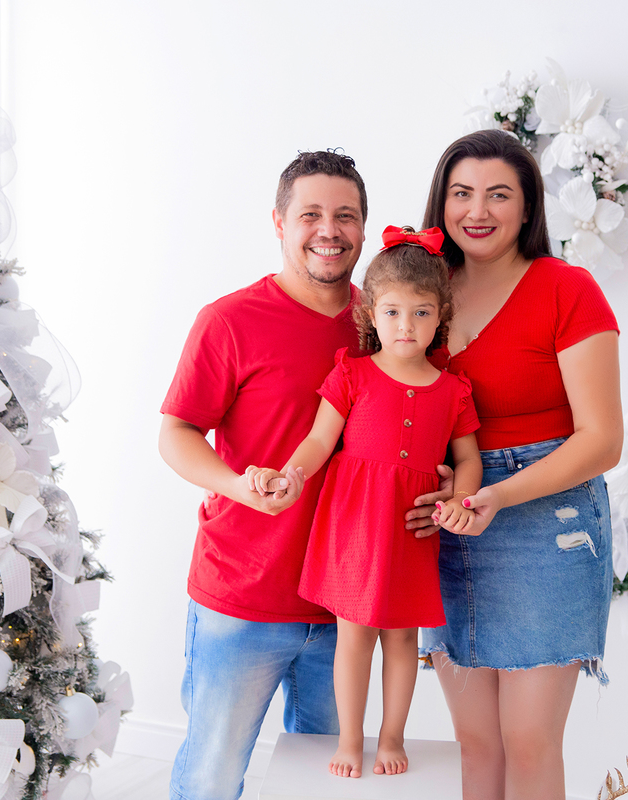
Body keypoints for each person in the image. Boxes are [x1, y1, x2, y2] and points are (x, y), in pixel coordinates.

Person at [409, 129, 624, 800]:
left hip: (547, 523)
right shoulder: (421, 291)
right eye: (462, 193)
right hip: (447, 520)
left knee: (529, 742)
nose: (478, 210)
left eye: (499, 195)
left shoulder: (567, 288)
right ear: (441, 203)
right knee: (476, 742)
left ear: (528, 206)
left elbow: (602, 440)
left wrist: (498, 495)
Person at [158, 150, 368, 800]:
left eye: (345, 215)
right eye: (310, 214)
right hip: (241, 597)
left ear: (363, 227)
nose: (329, 230)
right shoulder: (229, 321)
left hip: (346, 606)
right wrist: (236, 485)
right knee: (212, 778)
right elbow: (176, 433)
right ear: (279, 222)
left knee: (328, 785)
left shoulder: (387, 323)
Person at [247, 225, 483, 780]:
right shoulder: (351, 373)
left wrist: (462, 498)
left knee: (402, 638)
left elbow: (468, 460)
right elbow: (318, 441)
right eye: (394, 312)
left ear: (441, 316)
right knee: (353, 635)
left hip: (411, 528)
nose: (407, 326)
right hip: (354, 525)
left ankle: (392, 737)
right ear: (372, 314)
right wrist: (291, 474)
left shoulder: (453, 390)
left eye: (422, 313)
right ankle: (350, 739)